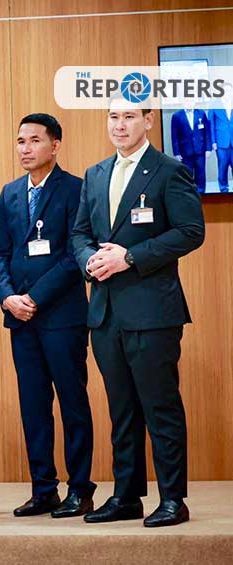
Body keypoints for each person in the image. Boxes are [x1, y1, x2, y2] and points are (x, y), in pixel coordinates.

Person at [72, 97, 205, 527]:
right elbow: (79, 234)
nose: (120, 125)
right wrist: (90, 261)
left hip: (152, 312)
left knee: (160, 408)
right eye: (113, 116)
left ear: (148, 121)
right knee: (122, 409)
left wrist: (130, 257)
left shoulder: (169, 170)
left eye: (129, 116)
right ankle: (127, 496)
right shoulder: (95, 174)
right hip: (105, 313)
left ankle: (173, 499)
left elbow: (191, 231)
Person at [0, 113, 95, 518]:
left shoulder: (75, 189)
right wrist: (8, 298)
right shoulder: (10, 193)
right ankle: (43, 489)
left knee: (72, 403)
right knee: (33, 407)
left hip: (63, 316)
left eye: (35, 140)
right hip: (21, 319)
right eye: (21, 141)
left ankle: (80, 489)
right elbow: (0, 254)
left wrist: (33, 296)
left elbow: (74, 255)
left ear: (55, 145)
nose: (25, 148)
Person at [170, 101, 212, 193]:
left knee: (201, 174)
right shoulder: (177, 116)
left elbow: (207, 132)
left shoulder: (201, 113)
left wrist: (208, 148)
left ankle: (201, 193)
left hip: (200, 150)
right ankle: (189, 195)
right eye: (187, 101)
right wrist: (176, 152)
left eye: (191, 101)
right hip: (185, 152)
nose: (189, 103)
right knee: (187, 175)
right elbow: (174, 136)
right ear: (183, 103)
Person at [209, 83, 233, 193]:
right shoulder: (214, 104)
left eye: (230, 91)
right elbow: (211, 125)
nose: (228, 93)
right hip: (221, 142)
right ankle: (224, 189)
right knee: (222, 167)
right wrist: (213, 141)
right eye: (226, 91)